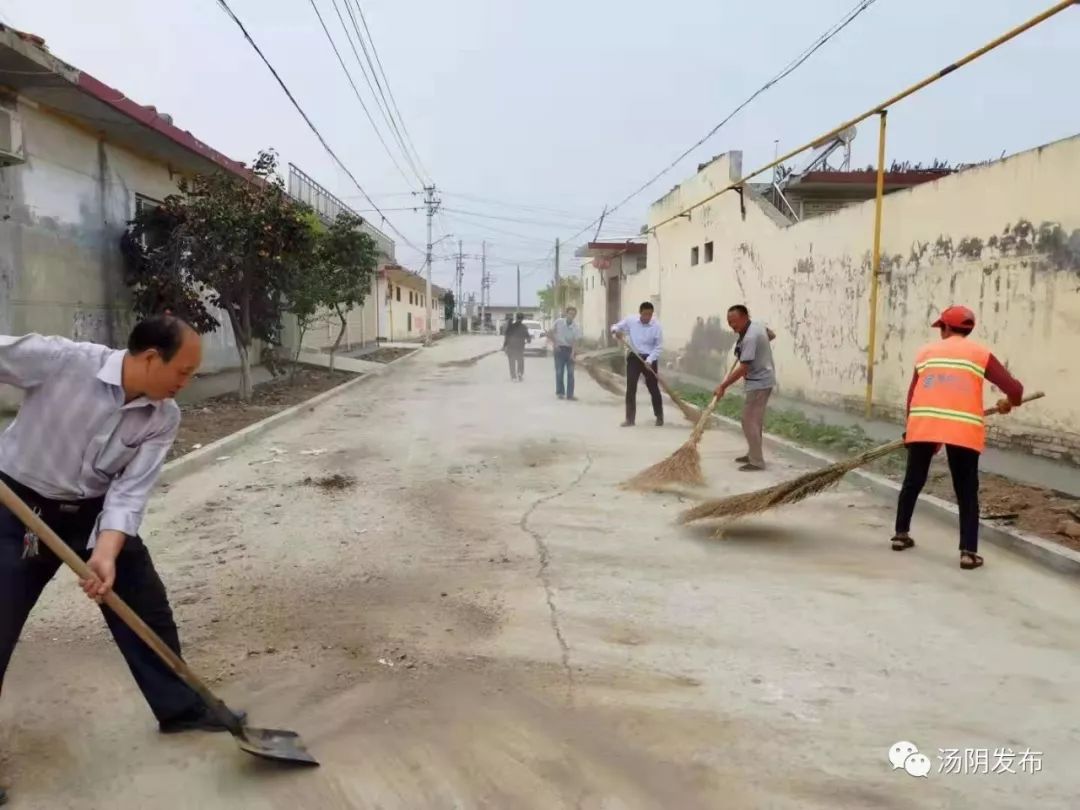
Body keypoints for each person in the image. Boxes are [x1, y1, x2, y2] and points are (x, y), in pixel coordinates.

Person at [0, 317, 245, 803]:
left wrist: (106, 553)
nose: (186, 381)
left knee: (144, 604)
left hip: (93, 508)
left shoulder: (163, 416)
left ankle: (181, 707)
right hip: (17, 505)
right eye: (184, 370)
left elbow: (129, 494)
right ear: (151, 357)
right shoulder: (63, 361)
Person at [891, 306, 1024, 570]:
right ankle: (968, 552)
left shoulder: (926, 352)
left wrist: (912, 427)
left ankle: (900, 534)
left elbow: (912, 394)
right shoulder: (980, 354)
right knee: (966, 492)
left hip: (924, 423)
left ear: (945, 328)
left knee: (912, 482)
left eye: (941, 327)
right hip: (962, 430)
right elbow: (1015, 389)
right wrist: (1010, 402)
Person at [714, 305, 777, 471]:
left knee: (748, 421)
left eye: (734, 321)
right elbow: (771, 335)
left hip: (760, 382)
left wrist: (723, 386)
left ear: (744, 317)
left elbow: (743, 368)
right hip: (761, 380)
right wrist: (760, 345)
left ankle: (756, 461)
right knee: (754, 421)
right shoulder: (757, 325)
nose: (732, 325)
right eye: (729, 322)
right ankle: (753, 454)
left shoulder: (750, 337)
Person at [611, 302, 663, 427]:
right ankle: (629, 419)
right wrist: (616, 333)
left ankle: (659, 417)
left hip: (650, 358)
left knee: (653, 388)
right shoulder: (631, 321)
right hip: (634, 356)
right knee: (631, 387)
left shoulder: (656, 326)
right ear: (640, 313)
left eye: (650, 314)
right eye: (645, 314)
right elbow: (615, 327)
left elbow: (658, 347)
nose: (647, 317)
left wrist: (649, 360)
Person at [549, 306, 582, 400]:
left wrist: (573, 353)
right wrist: (555, 344)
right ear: (566, 314)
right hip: (559, 349)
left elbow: (576, 341)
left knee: (571, 373)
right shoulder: (558, 322)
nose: (571, 316)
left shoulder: (576, 327)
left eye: (573, 314)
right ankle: (560, 392)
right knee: (559, 372)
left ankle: (570, 395)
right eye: (570, 314)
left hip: (570, 350)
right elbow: (550, 332)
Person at [503, 312, 530, 382]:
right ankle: (520, 373)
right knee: (520, 360)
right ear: (523, 318)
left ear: (516, 318)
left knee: (511, 362)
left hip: (511, 347)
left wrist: (504, 346)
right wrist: (528, 340)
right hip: (520, 347)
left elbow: (507, 337)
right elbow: (528, 337)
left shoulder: (511, 326)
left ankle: (513, 377)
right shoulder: (524, 327)